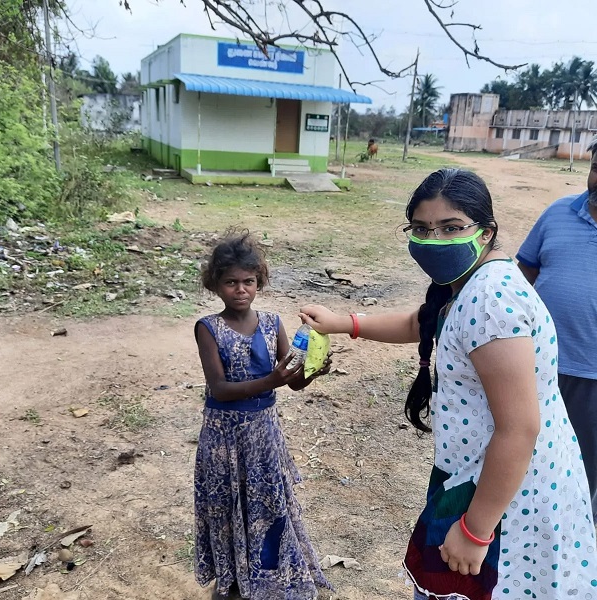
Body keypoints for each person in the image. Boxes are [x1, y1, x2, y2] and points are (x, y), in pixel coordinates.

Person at [300, 169, 597, 600]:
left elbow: (519, 429)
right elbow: (425, 323)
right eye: (422, 229)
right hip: (484, 476)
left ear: (486, 231)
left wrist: (476, 531)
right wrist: (346, 323)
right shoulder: (469, 281)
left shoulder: (491, 300)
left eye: (451, 227)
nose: (434, 240)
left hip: (503, 495)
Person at [193, 231, 333, 600]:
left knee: (268, 503)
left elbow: (292, 381)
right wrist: (272, 379)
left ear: (259, 282)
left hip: (264, 435)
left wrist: (313, 371)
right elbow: (219, 388)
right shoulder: (208, 328)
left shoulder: (272, 323)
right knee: (227, 505)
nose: (241, 290)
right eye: (231, 282)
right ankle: (232, 580)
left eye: (249, 282)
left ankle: (267, 575)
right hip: (224, 437)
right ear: (215, 285)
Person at [517, 135, 597, 522]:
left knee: (583, 471)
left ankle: (576, 539)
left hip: (592, 379)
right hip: (535, 366)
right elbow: (523, 276)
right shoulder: (557, 213)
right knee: (524, 457)